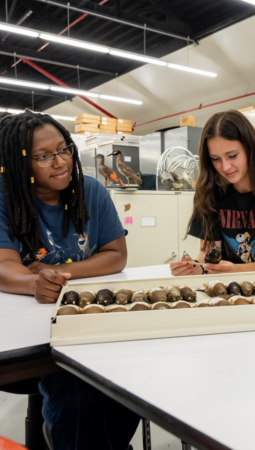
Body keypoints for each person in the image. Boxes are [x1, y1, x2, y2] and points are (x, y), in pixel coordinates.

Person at [0, 111, 139, 448]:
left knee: (132, 381)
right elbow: (4, 263)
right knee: (75, 388)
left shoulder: (90, 190)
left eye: (64, 149)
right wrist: (33, 283)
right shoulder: (5, 197)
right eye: (43, 156)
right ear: (19, 164)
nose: (60, 162)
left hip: (86, 319)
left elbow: (116, 254)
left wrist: (59, 275)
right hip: (28, 335)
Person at [171, 110, 255, 276]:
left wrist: (233, 270)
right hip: (234, 282)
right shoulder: (210, 190)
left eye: (232, 155)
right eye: (215, 159)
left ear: (250, 148)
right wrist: (197, 267)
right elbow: (208, 252)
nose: (225, 167)